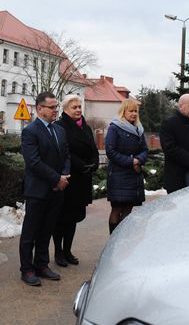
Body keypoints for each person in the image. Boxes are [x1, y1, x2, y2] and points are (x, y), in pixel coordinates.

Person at [19, 92, 70, 286]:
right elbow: (33, 162)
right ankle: (27, 269)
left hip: (56, 190)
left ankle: (41, 264)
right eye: (52, 107)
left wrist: (63, 176)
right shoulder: (30, 131)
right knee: (30, 232)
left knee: (46, 230)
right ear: (39, 109)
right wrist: (56, 178)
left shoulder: (59, 130)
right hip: (38, 190)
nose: (56, 110)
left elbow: (66, 155)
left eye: (56, 107)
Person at [53, 95, 99, 266]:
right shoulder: (60, 126)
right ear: (65, 109)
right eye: (74, 107)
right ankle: (58, 252)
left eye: (79, 107)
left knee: (73, 218)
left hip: (83, 179)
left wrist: (94, 163)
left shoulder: (85, 127)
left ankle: (68, 251)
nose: (78, 110)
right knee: (62, 217)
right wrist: (81, 165)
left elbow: (93, 148)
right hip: (68, 177)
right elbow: (64, 151)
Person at [105, 98, 148, 234]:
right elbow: (110, 151)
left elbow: (145, 150)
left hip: (133, 175)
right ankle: (113, 239)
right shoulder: (115, 127)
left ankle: (124, 240)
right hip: (118, 174)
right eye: (131, 111)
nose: (134, 114)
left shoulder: (139, 129)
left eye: (136, 111)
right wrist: (131, 162)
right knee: (117, 209)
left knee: (128, 209)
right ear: (124, 111)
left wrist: (138, 160)